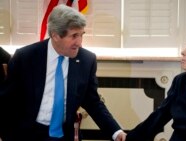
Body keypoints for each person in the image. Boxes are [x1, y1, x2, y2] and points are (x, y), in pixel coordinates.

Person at [0, 4, 126, 141]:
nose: (79, 42)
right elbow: (7, 102)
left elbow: (93, 101)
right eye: (74, 36)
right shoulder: (25, 57)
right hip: (28, 133)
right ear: (55, 35)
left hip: (64, 135)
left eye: (81, 35)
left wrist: (116, 131)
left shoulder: (86, 60)